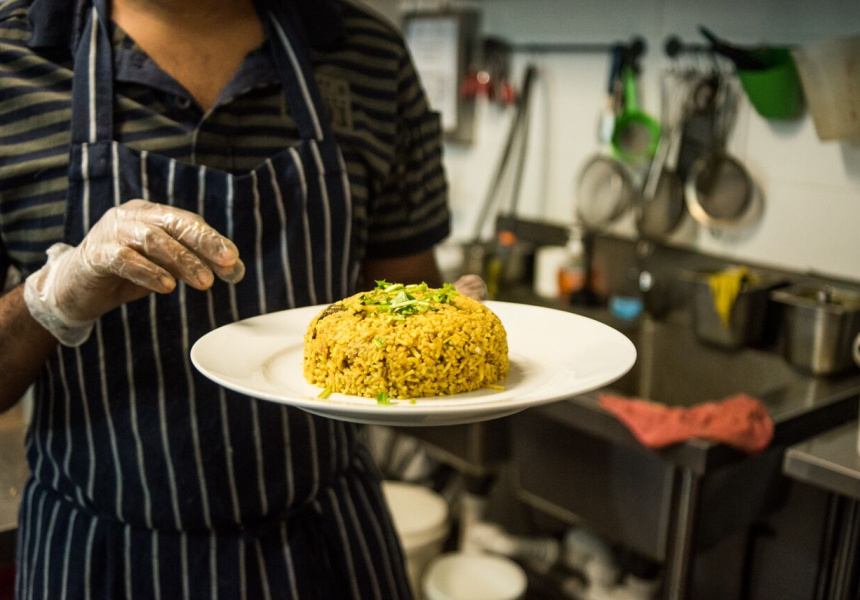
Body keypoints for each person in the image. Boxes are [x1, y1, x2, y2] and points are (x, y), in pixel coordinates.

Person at [0, 0, 468, 597]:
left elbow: (404, 289)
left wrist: (446, 328)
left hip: (326, 544)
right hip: (97, 557)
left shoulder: (367, 54)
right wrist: (48, 300)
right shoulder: (13, 59)